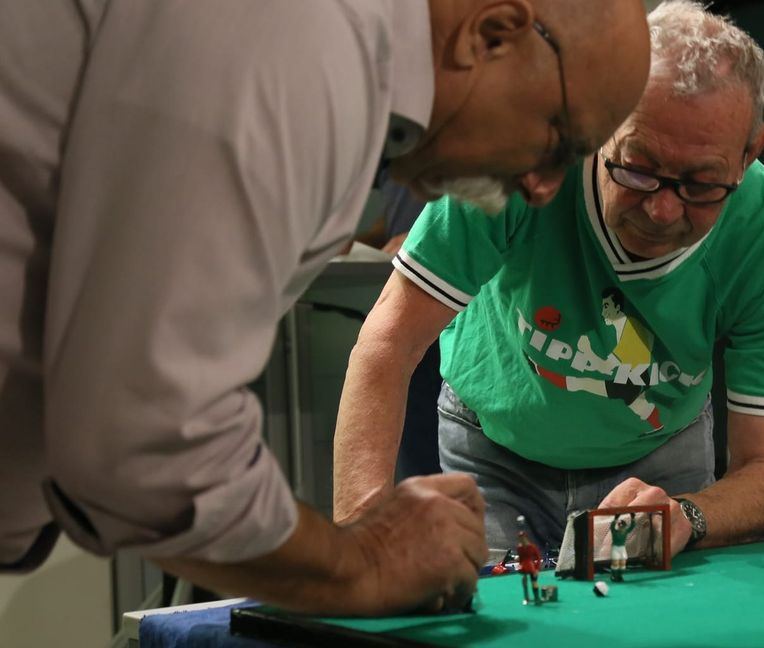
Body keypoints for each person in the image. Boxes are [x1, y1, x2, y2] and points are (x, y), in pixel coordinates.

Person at [0, 0, 651, 616]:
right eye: (559, 140)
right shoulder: (297, 41)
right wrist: (363, 563)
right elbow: (142, 444)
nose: (542, 189)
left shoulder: (332, 59)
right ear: (492, 35)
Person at [333, 0, 764, 560]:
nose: (662, 211)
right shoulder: (522, 160)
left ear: (749, 151)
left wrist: (686, 514)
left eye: (702, 184)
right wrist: (360, 544)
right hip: (492, 443)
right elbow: (387, 345)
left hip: (660, 458)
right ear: (605, 117)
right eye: (638, 168)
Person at [609, 514, 636, 582]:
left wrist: (633, 518)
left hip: (622, 548)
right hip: (615, 548)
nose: (621, 526)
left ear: (625, 526)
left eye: (622, 525)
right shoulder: (615, 531)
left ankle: (619, 575)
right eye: (619, 525)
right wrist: (615, 518)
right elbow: (612, 526)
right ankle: (613, 575)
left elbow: (632, 526)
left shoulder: (625, 531)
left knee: (622, 563)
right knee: (615, 562)